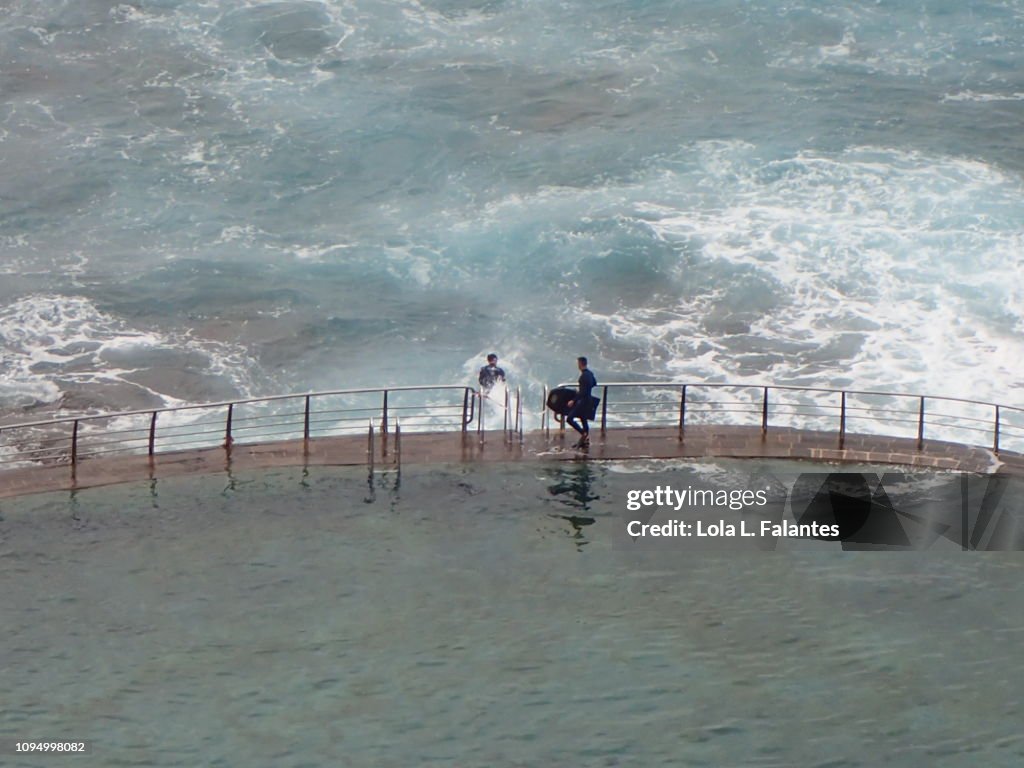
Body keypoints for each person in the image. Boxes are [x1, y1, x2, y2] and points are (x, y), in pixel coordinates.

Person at [566, 356, 596, 448]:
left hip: (583, 402)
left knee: (569, 419)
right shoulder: (590, 373)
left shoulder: (583, 376)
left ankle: (584, 434)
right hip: (589, 400)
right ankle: (585, 439)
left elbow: (583, 392)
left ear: (580, 364)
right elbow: (595, 383)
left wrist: (573, 400)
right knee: (583, 419)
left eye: (578, 363)